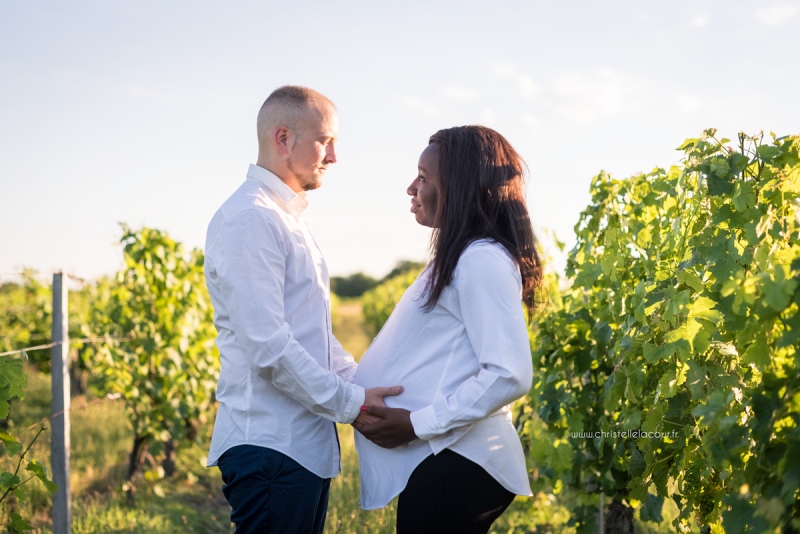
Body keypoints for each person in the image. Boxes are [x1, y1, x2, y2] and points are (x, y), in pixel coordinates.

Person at [203, 85, 402, 534]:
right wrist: (351, 404)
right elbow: (269, 347)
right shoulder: (251, 218)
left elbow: (310, 332)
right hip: (272, 446)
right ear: (283, 138)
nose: (333, 157)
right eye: (325, 140)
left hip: (298, 448)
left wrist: (361, 385)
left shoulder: (285, 219)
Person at [352, 125, 543, 534]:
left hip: (459, 458)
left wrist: (418, 423)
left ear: (458, 188)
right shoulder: (464, 257)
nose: (410, 188)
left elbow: (510, 373)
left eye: (423, 177)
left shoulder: (481, 259)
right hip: (447, 458)